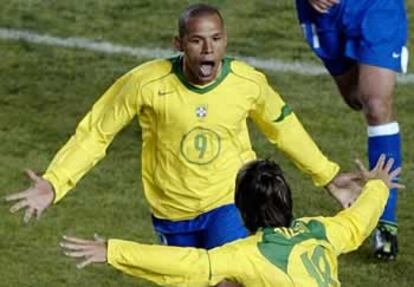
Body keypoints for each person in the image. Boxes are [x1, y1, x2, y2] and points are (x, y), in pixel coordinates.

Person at [6, 2, 355, 261]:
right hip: (172, 213)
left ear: (225, 41)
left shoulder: (247, 83)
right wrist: (55, 182)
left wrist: (328, 176)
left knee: (229, 278)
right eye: (197, 41)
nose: (208, 49)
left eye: (216, 39)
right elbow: (96, 133)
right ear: (179, 43)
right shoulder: (145, 83)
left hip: (229, 202)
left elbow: (285, 129)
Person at [60, 155, 403, 286]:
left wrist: (112, 250)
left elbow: (188, 264)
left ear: (241, 210)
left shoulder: (246, 254)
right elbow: (358, 221)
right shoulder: (321, 231)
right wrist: (378, 185)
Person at [295, 0, 408, 260]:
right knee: (355, 97)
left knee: (376, 106)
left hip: (376, 6)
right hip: (324, 10)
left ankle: (384, 221)